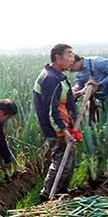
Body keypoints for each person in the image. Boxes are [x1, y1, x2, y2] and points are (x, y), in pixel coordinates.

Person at [33, 44, 77, 201]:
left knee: (68, 161)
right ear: (57, 57)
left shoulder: (58, 76)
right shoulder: (51, 79)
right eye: (69, 55)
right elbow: (52, 110)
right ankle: (48, 196)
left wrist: (77, 94)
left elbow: (62, 100)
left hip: (63, 125)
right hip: (57, 128)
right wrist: (63, 130)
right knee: (61, 161)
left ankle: (61, 193)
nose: (73, 59)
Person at [70, 54, 108, 122]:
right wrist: (77, 91)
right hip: (95, 97)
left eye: (71, 67)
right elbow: (80, 84)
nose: (71, 70)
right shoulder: (78, 72)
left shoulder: (97, 62)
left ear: (76, 61)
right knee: (96, 120)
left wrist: (99, 84)